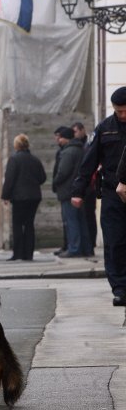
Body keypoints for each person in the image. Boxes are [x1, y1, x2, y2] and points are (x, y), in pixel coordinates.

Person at [72, 87, 126, 307]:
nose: (122, 115)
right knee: (114, 241)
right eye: (118, 111)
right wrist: (78, 190)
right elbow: (89, 161)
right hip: (113, 192)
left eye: (125, 111)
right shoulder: (105, 129)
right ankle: (120, 289)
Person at [0, 134, 46, 261]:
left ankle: (18, 253)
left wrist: (5, 196)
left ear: (16, 145)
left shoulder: (14, 159)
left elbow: (9, 179)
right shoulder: (35, 160)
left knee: (17, 224)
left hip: (19, 197)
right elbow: (42, 178)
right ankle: (28, 254)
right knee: (29, 224)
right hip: (34, 196)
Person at [53, 126, 90, 258]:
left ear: (66, 138)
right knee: (80, 220)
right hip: (78, 190)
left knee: (71, 221)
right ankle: (86, 248)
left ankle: (74, 249)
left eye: (60, 137)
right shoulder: (80, 149)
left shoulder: (68, 152)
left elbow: (63, 172)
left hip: (68, 191)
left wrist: (55, 181)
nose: (58, 140)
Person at [72, 121, 97, 256]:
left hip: (90, 187)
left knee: (89, 216)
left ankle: (91, 243)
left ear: (82, 130)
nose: (74, 135)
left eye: (76, 131)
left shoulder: (88, 143)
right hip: (84, 186)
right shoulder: (81, 145)